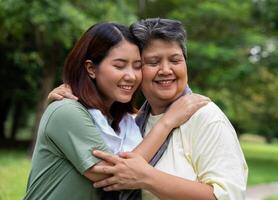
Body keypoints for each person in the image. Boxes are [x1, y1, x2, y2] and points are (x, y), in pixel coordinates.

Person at [49, 18, 248, 200]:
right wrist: (73, 94)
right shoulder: (130, 124)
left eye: (175, 60)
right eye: (152, 62)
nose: (166, 70)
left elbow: (228, 197)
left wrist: (147, 177)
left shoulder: (204, 117)